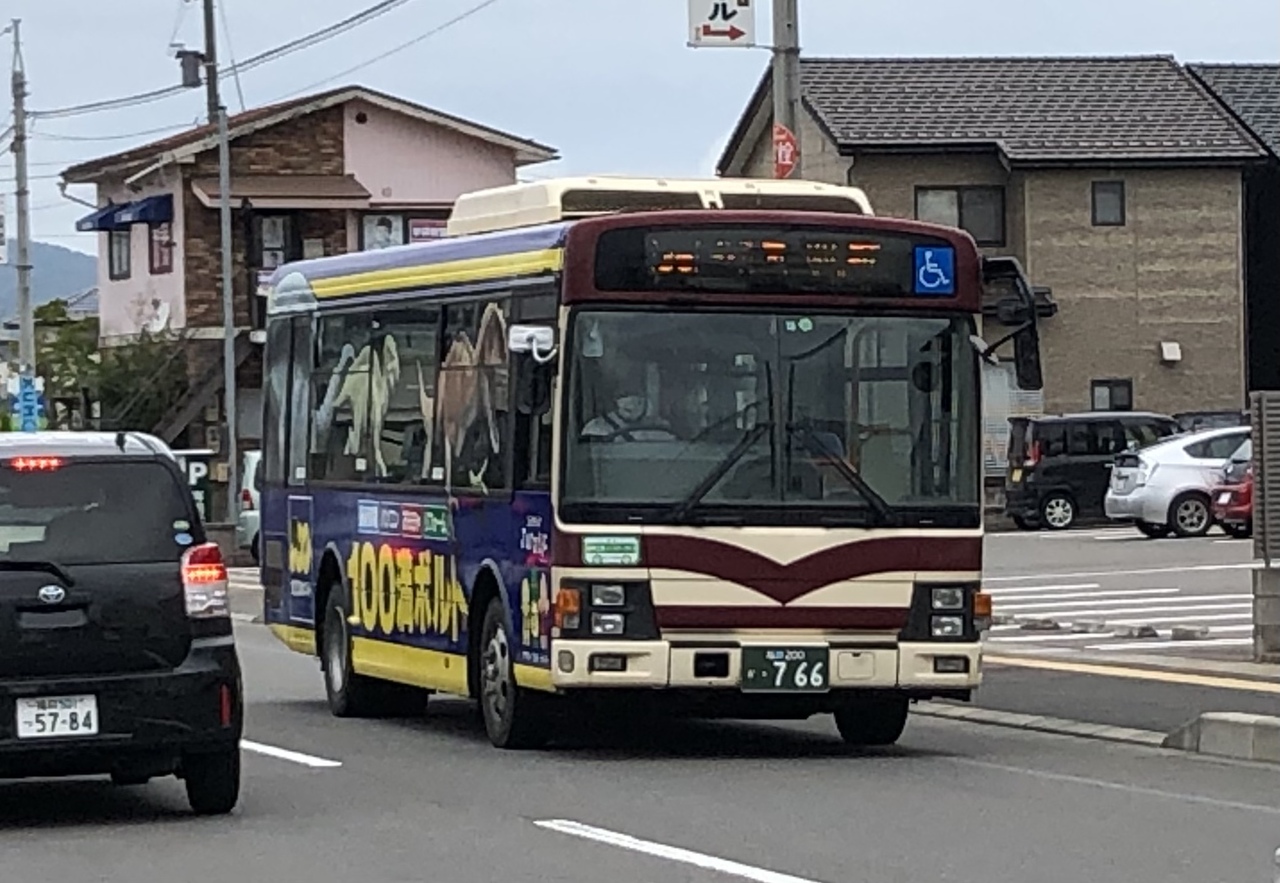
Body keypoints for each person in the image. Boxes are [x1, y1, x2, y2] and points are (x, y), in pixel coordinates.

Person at [581, 381, 676, 442]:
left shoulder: (659, 428)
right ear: (615, 400)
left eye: (638, 397)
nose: (632, 403)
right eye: (624, 395)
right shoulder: (597, 427)